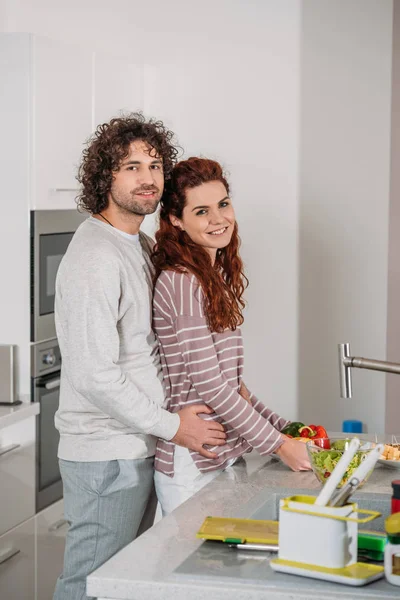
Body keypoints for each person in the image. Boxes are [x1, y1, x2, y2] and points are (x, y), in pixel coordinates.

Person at [53, 116, 226, 600]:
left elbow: (159, 345)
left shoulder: (140, 244)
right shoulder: (95, 257)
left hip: (138, 443)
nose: (148, 178)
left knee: (120, 584)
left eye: (155, 165)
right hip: (107, 454)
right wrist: (175, 427)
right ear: (104, 178)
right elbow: (94, 375)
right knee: (89, 584)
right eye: (131, 166)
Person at [151, 157, 311, 516]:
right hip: (193, 461)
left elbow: (232, 384)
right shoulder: (181, 281)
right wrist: (278, 445)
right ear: (176, 220)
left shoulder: (211, 275)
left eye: (223, 204)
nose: (219, 219)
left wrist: (285, 429)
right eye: (202, 211)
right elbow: (209, 384)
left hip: (221, 455)